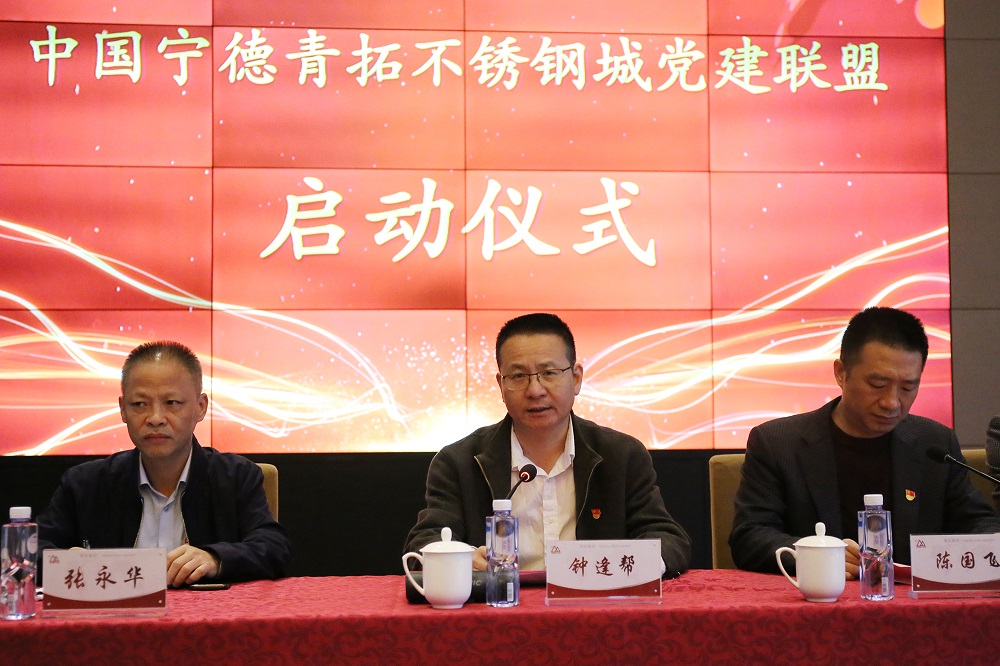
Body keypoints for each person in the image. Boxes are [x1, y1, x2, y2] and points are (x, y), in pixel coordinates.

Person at [404, 313, 691, 576]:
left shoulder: (621, 456)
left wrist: (627, 565)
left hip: (593, 607)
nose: (535, 390)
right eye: (518, 376)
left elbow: (668, 540)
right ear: (501, 385)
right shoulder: (459, 462)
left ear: (576, 379)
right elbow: (424, 543)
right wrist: (462, 559)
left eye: (549, 373)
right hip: (499, 608)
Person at [730, 307, 1000, 577]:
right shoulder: (778, 444)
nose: (892, 402)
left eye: (908, 387)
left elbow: (979, 523)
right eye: (877, 385)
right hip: (817, 598)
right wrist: (819, 556)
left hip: (910, 599)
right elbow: (750, 536)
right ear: (841, 373)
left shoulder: (934, 443)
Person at [38, 341, 292, 586]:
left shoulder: (236, 477)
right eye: (139, 404)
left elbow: (273, 547)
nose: (156, 418)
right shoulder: (84, 484)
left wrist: (215, 559)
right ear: (123, 409)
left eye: (171, 403)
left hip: (207, 615)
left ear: (201, 407)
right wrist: (64, 561)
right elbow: (31, 550)